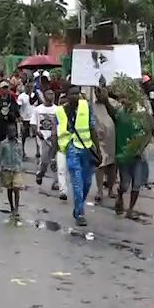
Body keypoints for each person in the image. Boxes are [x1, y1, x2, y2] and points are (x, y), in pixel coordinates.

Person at [55, 86, 100, 226]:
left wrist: (98, 150)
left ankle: (78, 206)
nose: (75, 96)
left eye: (77, 93)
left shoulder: (86, 107)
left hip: (87, 149)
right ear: (67, 96)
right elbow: (57, 131)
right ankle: (80, 213)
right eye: (72, 94)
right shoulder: (61, 111)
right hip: (72, 148)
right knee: (77, 182)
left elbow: (92, 128)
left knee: (87, 183)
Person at [112, 93, 150, 219]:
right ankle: (120, 195)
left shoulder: (141, 114)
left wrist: (141, 147)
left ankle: (130, 209)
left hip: (137, 155)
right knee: (125, 184)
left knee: (137, 184)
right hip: (123, 155)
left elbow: (148, 133)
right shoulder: (119, 113)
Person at [31, 89, 66, 197]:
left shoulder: (58, 110)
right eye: (48, 94)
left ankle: (56, 182)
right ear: (44, 96)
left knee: (56, 162)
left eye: (52, 94)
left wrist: (56, 135)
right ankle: (40, 174)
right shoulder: (38, 109)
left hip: (54, 138)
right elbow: (33, 123)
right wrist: (37, 132)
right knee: (45, 161)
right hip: (43, 139)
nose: (50, 96)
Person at [92, 88, 118, 204]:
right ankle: (99, 190)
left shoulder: (113, 103)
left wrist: (106, 101)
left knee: (112, 164)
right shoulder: (91, 104)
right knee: (100, 164)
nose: (99, 94)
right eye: (97, 91)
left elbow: (116, 116)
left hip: (113, 137)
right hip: (99, 138)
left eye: (101, 91)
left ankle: (111, 189)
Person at [0, 123, 24, 220]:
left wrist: (21, 167)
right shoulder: (3, 144)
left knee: (16, 188)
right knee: (9, 189)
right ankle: (11, 206)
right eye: (11, 131)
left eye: (14, 131)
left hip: (16, 169)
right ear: (7, 133)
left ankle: (16, 208)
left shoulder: (19, 143)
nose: (13, 133)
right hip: (6, 169)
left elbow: (21, 155)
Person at [16, 84, 35, 158]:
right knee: (24, 135)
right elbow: (18, 106)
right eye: (27, 87)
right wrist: (19, 116)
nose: (29, 88)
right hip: (25, 118)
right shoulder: (21, 96)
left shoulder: (34, 95)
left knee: (36, 135)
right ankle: (23, 150)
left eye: (30, 87)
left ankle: (38, 151)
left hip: (33, 118)